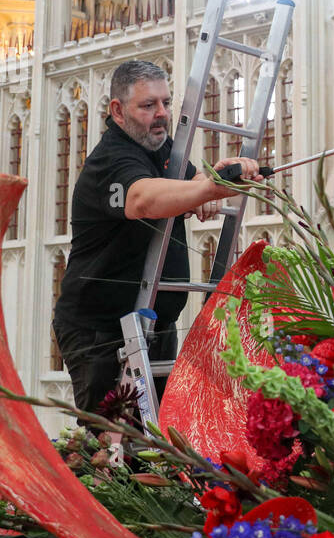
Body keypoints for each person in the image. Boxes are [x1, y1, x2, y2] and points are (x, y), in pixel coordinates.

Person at [53, 59, 261, 415]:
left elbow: (191, 183)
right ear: (118, 111)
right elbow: (143, 199)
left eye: (166, 102)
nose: (162, 113)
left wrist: (213, 180)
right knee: (118, 448)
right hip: (101, 329)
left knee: (164, 440)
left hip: (154, 324)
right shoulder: (110, 159)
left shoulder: (162, 150)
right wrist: (208, 191)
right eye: (148, 105)